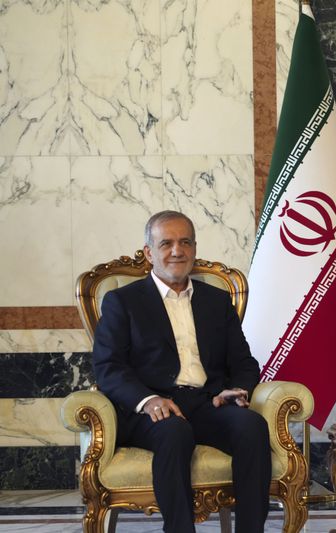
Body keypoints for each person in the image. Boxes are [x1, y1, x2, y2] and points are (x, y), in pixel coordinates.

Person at [92, 210, 270, 533]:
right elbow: (108, 367)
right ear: (149, 252)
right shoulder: (122, 302)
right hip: (152, 411)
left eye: (185, 242)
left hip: (207, 403)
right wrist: (147, 400)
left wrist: (238, 389)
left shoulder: (217, 301)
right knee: (175, 432)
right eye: (167, 243)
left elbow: (244, 363)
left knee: (252, 426)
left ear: (194, 248)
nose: (177, 251)